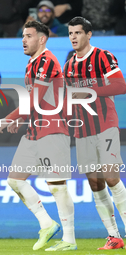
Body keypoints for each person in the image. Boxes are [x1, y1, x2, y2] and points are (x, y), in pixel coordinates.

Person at [0, 20, 77, 251]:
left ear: (42, 39)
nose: (23, 40)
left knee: (56, 186)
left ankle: (69, 240)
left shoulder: (47, 60)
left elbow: (35, 99)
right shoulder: (32, 64)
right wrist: (21, 119)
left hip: (53, 130)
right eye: (22, 35)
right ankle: (47, 223)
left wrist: (10, 117)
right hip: (34, 132)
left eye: (28, 36)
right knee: (14, 180)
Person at [64, 16, 126, 250]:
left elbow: (120, 86)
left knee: (111, 178)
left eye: (77, 33)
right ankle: (114, 236)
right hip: (83, 131)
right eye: (70, 33)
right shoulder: (69, 65)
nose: (73, 37)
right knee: (96, 184)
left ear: (88, 34)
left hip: (105, 125)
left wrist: (89, 90)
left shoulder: (103, 56)